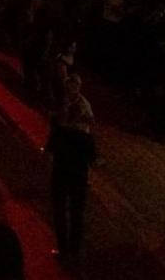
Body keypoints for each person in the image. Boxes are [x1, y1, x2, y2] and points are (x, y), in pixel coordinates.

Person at [47, 75, 96, 260]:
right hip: (79, 176)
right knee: (77, 213)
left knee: (60, 210)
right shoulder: (86, 138)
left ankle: (63, 249)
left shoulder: (61, 132)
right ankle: (73, 251)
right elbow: (92, 158)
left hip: (61, 174)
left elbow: (51, 147)